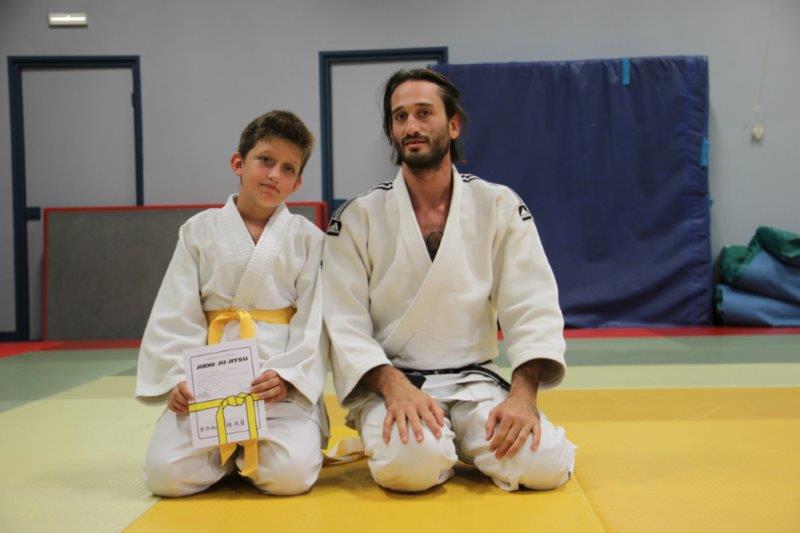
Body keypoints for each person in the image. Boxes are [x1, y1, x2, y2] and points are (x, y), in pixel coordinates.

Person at [322, 69, 575, 492]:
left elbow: (532, 304)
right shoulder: (358, 217)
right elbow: (343, 321)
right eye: (400, 117)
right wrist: (393, 388)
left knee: (544, 464)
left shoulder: (497, 205)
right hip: (393, 383)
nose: (411, 126)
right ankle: (441, 445)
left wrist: (522, 395)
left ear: (453, 124)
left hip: (475, 382)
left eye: (424, 113)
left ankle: (457, 439)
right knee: (412, 466)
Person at [136, 110, 328, 497]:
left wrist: (288, 377)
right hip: (207, 384)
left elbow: (314, 321)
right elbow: (175, 312)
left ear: (297, 182)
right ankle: (227, 455)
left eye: (288, 169)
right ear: (238, 163)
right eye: (265, 160)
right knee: (164, 475)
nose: (274, 175)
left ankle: (238, 453)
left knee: (289, 477)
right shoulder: (198, 231)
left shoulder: (308, 239)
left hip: (273, 386)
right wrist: (177, 378)